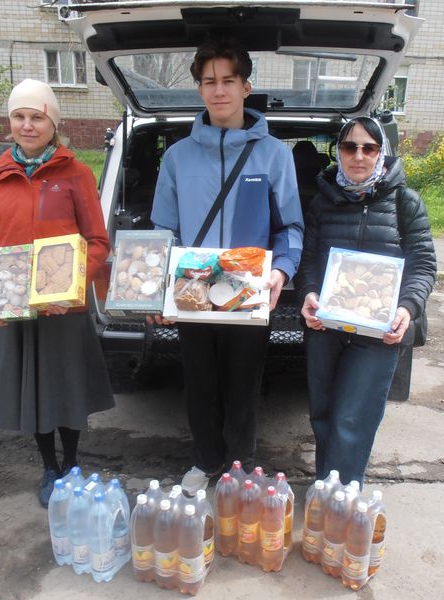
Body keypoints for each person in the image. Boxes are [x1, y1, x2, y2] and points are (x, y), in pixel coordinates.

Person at [150, 38, 304, 495]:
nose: (219, 91)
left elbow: (290, 227)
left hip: (247, 291)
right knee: (198, 384)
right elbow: (163, 231)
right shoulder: (177, 157)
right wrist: (159, 290)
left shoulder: (274, 154)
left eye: (228, 81)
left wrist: (282, 271)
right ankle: (204, 461)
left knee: (243, 386)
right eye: (209, 82)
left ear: (245, 86)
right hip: (193, 291)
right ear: (199, 89)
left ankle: (240, 469)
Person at [0, 79, 114, 507]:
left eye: (37, 117)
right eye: (19, 117)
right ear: (9, 122)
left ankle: (72, 463)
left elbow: (97, 241)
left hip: (62, 309)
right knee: (33, 391)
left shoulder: (75, 174)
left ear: (53, 121)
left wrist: (71, 283)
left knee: (66, 389)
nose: (27, 125)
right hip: (13, 305)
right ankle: (48, 466)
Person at [294, 116, 436, 485]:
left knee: (352, 417)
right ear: (338, 152)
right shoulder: (322, 201)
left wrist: (407, 309)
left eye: (368, 148)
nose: (358, 156)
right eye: (349, 147)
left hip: (379, 332)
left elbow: (423, 265)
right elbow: (307, 261)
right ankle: (328, 485)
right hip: (326, 326)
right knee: (323, 413)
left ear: (381, 153)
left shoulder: (405, 201)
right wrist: (308, 294)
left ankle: (342, 493)